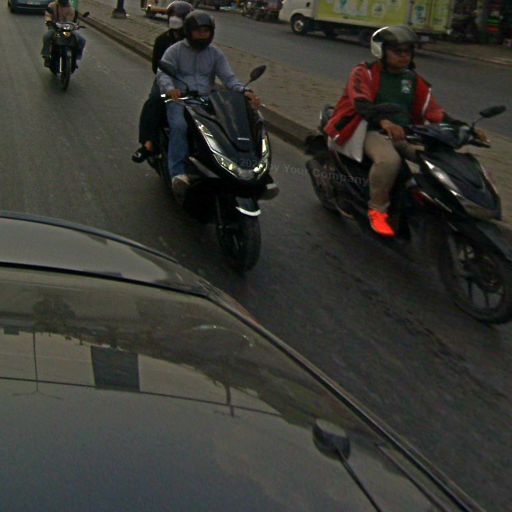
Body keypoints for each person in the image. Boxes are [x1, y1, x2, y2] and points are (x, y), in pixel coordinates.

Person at [324, 25, 479, 237]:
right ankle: (377, 210)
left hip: (404, 133)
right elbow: (362, 104)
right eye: (398, 51)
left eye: (408, 51)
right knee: (389, 161)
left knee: (437, 157)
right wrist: (384, 122)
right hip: (366, 129)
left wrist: (461, 127)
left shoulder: (413, 79)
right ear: (381, 51)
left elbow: (433, 110)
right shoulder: (364, 73)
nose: (404, 56)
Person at [156, 11, 261, 198]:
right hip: (180, 100)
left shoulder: (215, 54)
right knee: (179, 126)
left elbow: (229, 78)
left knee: (222, 127)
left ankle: (225, 166)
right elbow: (163, 73)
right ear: (189, 31)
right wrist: (170, 89)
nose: (202, 35)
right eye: (198, 31)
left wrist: (244, 91)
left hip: (207, 100)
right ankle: (177, 173)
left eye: (206, 31)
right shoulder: (175, 50)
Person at [132, 0, 194, 163]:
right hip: (166, 80)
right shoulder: (162, 40)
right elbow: (157, 67)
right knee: (154, 102)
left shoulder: (195, 42)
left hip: (191, 82)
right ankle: (148, 143)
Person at [41, 0, 86, 67]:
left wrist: (72, 25)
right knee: (47, 36)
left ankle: (76, 58)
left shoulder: (71, 8)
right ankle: (46, 56)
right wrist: (49, 21)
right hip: (55, 27)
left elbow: (70, 20)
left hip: (67, 28)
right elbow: (48, 15)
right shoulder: (52, 5)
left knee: (82, 40)